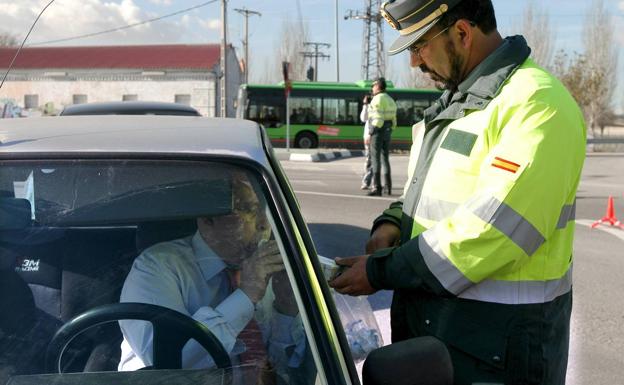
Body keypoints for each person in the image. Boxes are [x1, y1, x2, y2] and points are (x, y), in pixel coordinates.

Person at [330, 1, 585, 384]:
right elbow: (439, 191)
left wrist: (384, 270)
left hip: (498, 354)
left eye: (419, 47)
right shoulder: (459, 102)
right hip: (446, 342)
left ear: (463, 34)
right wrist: (394, 223)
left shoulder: (536, 104)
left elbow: (493, 230)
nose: (415, 63)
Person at [118, 175, 314, 384]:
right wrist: (245, 296)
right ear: (207, 220)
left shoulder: (264, 270)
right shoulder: (157, 267)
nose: (264, 224)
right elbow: (168, 366)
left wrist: (286, 309)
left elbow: (279, 368)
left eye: (264, 211)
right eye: (248, 210)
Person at [366, 77, 397, 196]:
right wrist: (390, 129)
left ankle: (377, 188)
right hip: (388, 131)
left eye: (373, 86)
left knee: (375, 159)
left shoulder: (376, 100)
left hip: (378, 131)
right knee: (385, 159)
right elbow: (394, 119)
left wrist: (371, 133)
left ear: (378, 86)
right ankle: (388, 187)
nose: (372, 88)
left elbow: (378, 119)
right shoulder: (390, 99)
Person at [360, 94, 373, 190]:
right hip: (368, 138)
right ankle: (369, 182)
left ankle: (368, 182)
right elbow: (363, 118)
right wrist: (365, 105)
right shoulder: (369, 107)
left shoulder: (376, 107)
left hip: (372, 137)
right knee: (369, 161)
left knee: (370, 161)